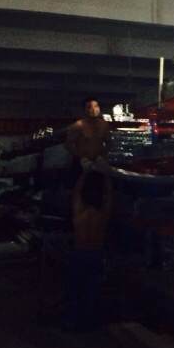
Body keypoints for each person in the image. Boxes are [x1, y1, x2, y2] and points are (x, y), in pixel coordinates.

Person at [65, 169, 112, 330]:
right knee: (91, 290)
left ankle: (73, 322)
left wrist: (85, 172)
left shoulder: (80, 212)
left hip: (79, 253)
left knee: (75, 289)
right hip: (95, 254)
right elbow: (109, 195)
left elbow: (76, 192)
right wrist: (106, 173)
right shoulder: (103, 214)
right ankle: (87, 322)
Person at [65, 96, 111, 170]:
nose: (93, 109)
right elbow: (68, 145)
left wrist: (102, 156)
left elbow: (109, 143)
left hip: (98, 161)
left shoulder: (104, 125)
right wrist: (81, 157)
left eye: (96, 106)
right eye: (89, 107)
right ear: (84, 110)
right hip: (81, 163)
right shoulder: (78, 125)